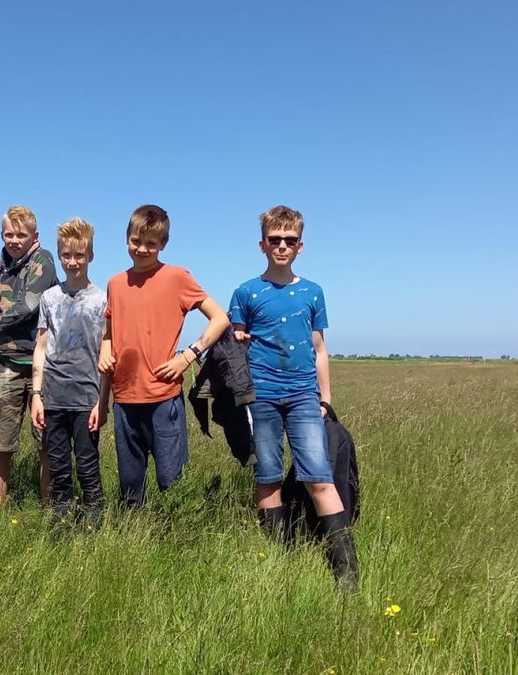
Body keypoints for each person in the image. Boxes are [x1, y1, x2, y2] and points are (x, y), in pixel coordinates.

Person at [229, 205, 358, 589]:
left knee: (319, 477)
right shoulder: (246, 292)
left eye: (289, 240)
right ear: (262, 244)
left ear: (301, 245)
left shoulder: (312, 292)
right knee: (267, 476)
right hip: (262, 396)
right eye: (275, 240)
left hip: (303, 395)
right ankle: (280, 564)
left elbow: (319, 348)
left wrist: (325, 399)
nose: (282, 246)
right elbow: (236, 350)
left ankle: (347, 577)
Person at [98, 204, 230, 507]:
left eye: (151, 244)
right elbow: (109, 332)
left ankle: (175, 536)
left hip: (163, 396)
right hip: (125, 398)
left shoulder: (177, 277)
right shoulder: (116, 283)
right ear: (126, 238)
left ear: (163, 245)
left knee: (172, 481)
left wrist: (188, 356)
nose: (142, 249)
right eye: (135, 241)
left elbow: (220, 318)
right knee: (130, 486)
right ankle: (134, 541)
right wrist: (106, 351)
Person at [30, 218, 110, 528]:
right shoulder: (50, 298)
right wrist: (37, 396)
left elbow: (106, 352)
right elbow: (40, 347)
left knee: (88, 465)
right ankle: (61, 520)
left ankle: (94, 522)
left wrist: (101, 403)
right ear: (60, 256)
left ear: (90, 255)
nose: (72, 262)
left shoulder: (102, 299)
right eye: (66, 255)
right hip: (53, 395)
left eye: (79, 255)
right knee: (59, 466)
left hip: (87, 396)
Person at [0, 206, 60, 507]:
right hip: (8, 364)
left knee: (46, 440)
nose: (14, 240)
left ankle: (49, 507)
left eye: (21, 235)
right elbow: (0, 309)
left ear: (35, 236)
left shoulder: (43, 261)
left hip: (43, 364)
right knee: (1, 442)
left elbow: (29, 304)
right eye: (9, 234)